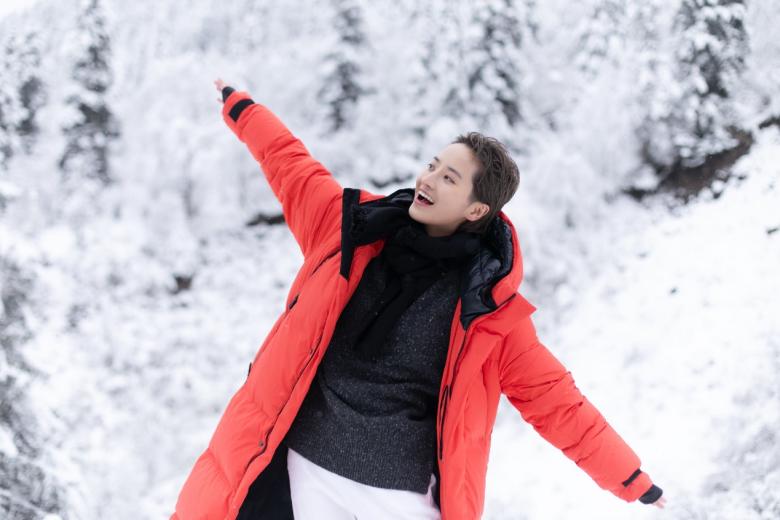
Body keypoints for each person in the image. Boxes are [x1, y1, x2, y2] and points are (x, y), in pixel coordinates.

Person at [168, 79, 666, 520]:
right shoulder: (353, 232)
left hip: (398, 497)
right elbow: (291, 165)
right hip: (310, 469)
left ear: (476, 208)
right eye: (433, 165)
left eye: (448, 178)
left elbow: (558, 403)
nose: (427, 180)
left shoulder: (487, 310)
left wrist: (631, 480)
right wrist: (243, 108)